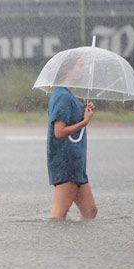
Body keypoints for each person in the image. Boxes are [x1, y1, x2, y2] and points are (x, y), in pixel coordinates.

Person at [46, 58, 98, 220]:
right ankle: (54, 245)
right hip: (66, 164)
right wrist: (85, 121)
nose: (82, 70)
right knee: (58, 216)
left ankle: (78, 244)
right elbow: (59, 132)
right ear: (68, 71)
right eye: (79, 67)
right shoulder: (62, 97)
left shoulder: (69, 96)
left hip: (76, 165)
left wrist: (84, 111)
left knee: (90, 212)